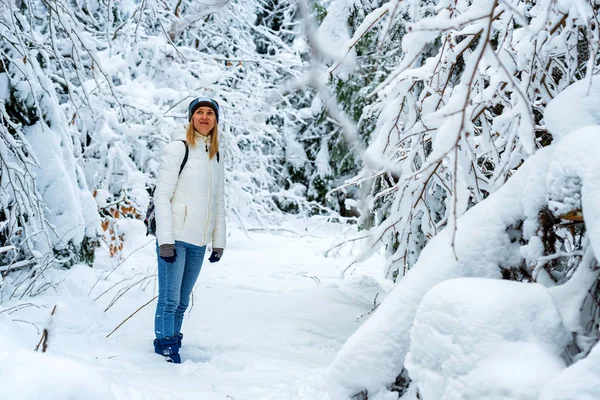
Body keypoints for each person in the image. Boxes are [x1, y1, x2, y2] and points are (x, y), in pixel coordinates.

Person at [152, 97, 226, 363]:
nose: (204, 117)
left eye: (209, 113)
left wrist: (218, 242)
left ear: (216, 120)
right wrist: (165, 240)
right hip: (175, 237)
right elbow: (161, 196)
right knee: (169, 300)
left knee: (182, 302)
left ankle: (173, 341)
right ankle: (165, 348)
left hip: (199, 240)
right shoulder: (178, 149)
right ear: (191, 118)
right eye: (199, 113)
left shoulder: (215, 155)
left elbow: (218, 200)